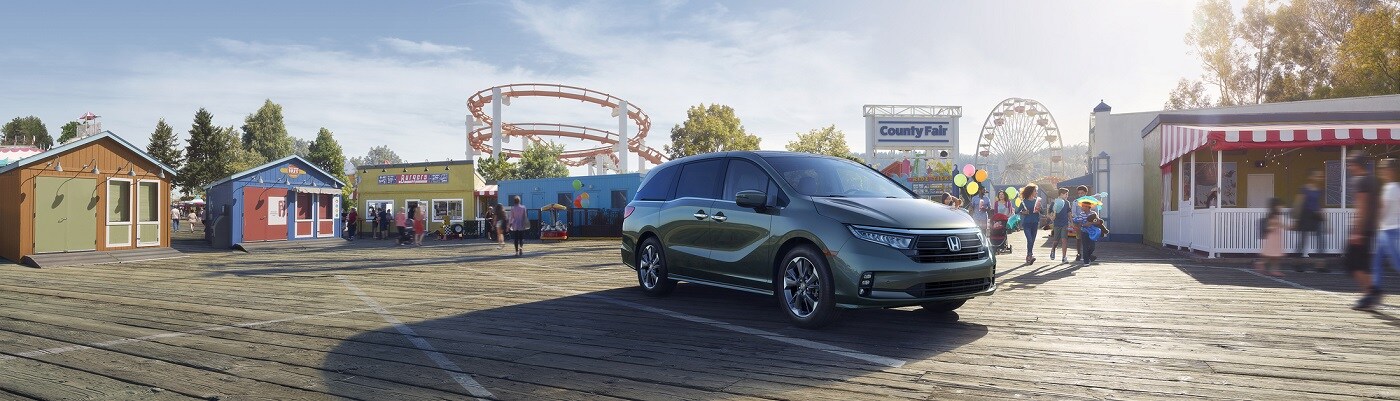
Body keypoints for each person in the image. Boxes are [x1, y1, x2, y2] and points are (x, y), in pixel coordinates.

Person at [1359, 159, 1400, 311]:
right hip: (1385, 231)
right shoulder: (1390, 187)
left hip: (1391, 231)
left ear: (1392, 171)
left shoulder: (1392, 189)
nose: (1381, 172)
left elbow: (1383, 210)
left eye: (1384, 169)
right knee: (1376, 264)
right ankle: (1374, 293)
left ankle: (1374, 294)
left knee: (1397, 263)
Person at [1345, 153, 1381, 310]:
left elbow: (1362, 207)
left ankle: (1370, 293)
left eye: (1350, 164)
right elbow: (1379, 204)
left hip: (1361, 229)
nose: (1348, 167)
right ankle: (1370, 292)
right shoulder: (1373, 180)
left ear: (1357, 165)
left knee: (1352, 264)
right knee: (1362, 264)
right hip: (1370, 228)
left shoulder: (1360, 181)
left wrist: (1357, 231)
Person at [1293, 169, 1327, 272]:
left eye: (1321, 176)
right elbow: (1298, 204)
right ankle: (1298, 264)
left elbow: (1320, 205)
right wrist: (1296, 219)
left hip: (1316, 216)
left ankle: (1320, 266)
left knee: (1321, 241)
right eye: (1318, 176)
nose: (1320, 178)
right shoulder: (1304, 189)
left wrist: (1325, 219)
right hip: (1305, 215)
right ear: (1311, 177)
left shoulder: (1320, 190)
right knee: (1303, 241)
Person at [1256, 198, 1287, 277]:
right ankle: (1265, 266)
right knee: (1272, 255)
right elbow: (1270, 227)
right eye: (1279, 206)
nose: (1281, 207)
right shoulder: (1272, 215)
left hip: (1276, 238)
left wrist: (1287, 227)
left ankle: (1270, 268)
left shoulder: (1277, 215)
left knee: (1274, 256)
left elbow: (1281, 225)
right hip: (1272, 238)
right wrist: (1274, 226)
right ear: (1274, 206)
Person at [1016, 184, 1043, 264]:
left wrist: (1039, 209)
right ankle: (1030, 255)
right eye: (1035, 191)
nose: (1036, 192)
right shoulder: (1024, 201)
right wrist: (1023, 212)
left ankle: (1029, 256)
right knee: (1030, 240)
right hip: (1026, 223)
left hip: (1035, 223)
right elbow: (1017, 211)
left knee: (1032, 241)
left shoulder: (1037, 201)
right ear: (1031, 191)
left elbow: (1042, 212)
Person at [1049, 188, 1072, 263]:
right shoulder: (1054, 203)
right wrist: (1052, 216)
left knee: (1064, 240)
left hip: (1064, 224)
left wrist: (1071, 222)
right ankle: (1053, 249)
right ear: (1061, 194)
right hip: (1057, 224)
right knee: (1056, 241)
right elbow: (1049, 213)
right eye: (1066, 194)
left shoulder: (1067, 203)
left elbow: (1069, 213)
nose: (1067, 196)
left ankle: (1064, 257)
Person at [1072, 185, 1092, 263]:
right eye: (1079, 193)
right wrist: (1080, 219)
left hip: (1089, 222)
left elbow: (1093, 211)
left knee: (1089, 239)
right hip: (1079, 222)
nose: (1080, 195)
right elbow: (1073, 213)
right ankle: (1079, 253)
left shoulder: (1090, 201)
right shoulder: (1075, 202)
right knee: (1079, 238)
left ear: (1086, 193)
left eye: (1082, 193)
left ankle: (1087, 254)